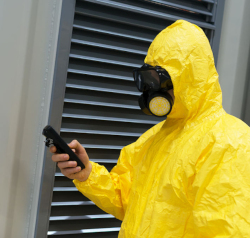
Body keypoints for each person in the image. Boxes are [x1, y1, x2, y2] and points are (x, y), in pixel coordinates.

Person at [50, 20, 250, 237]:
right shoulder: (154, 138)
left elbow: (226, 230)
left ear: (191, 77)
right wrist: (88, 174)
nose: (154, 91)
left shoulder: (230, 143)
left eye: (160, 80)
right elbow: (127, 200)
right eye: (149, 80)